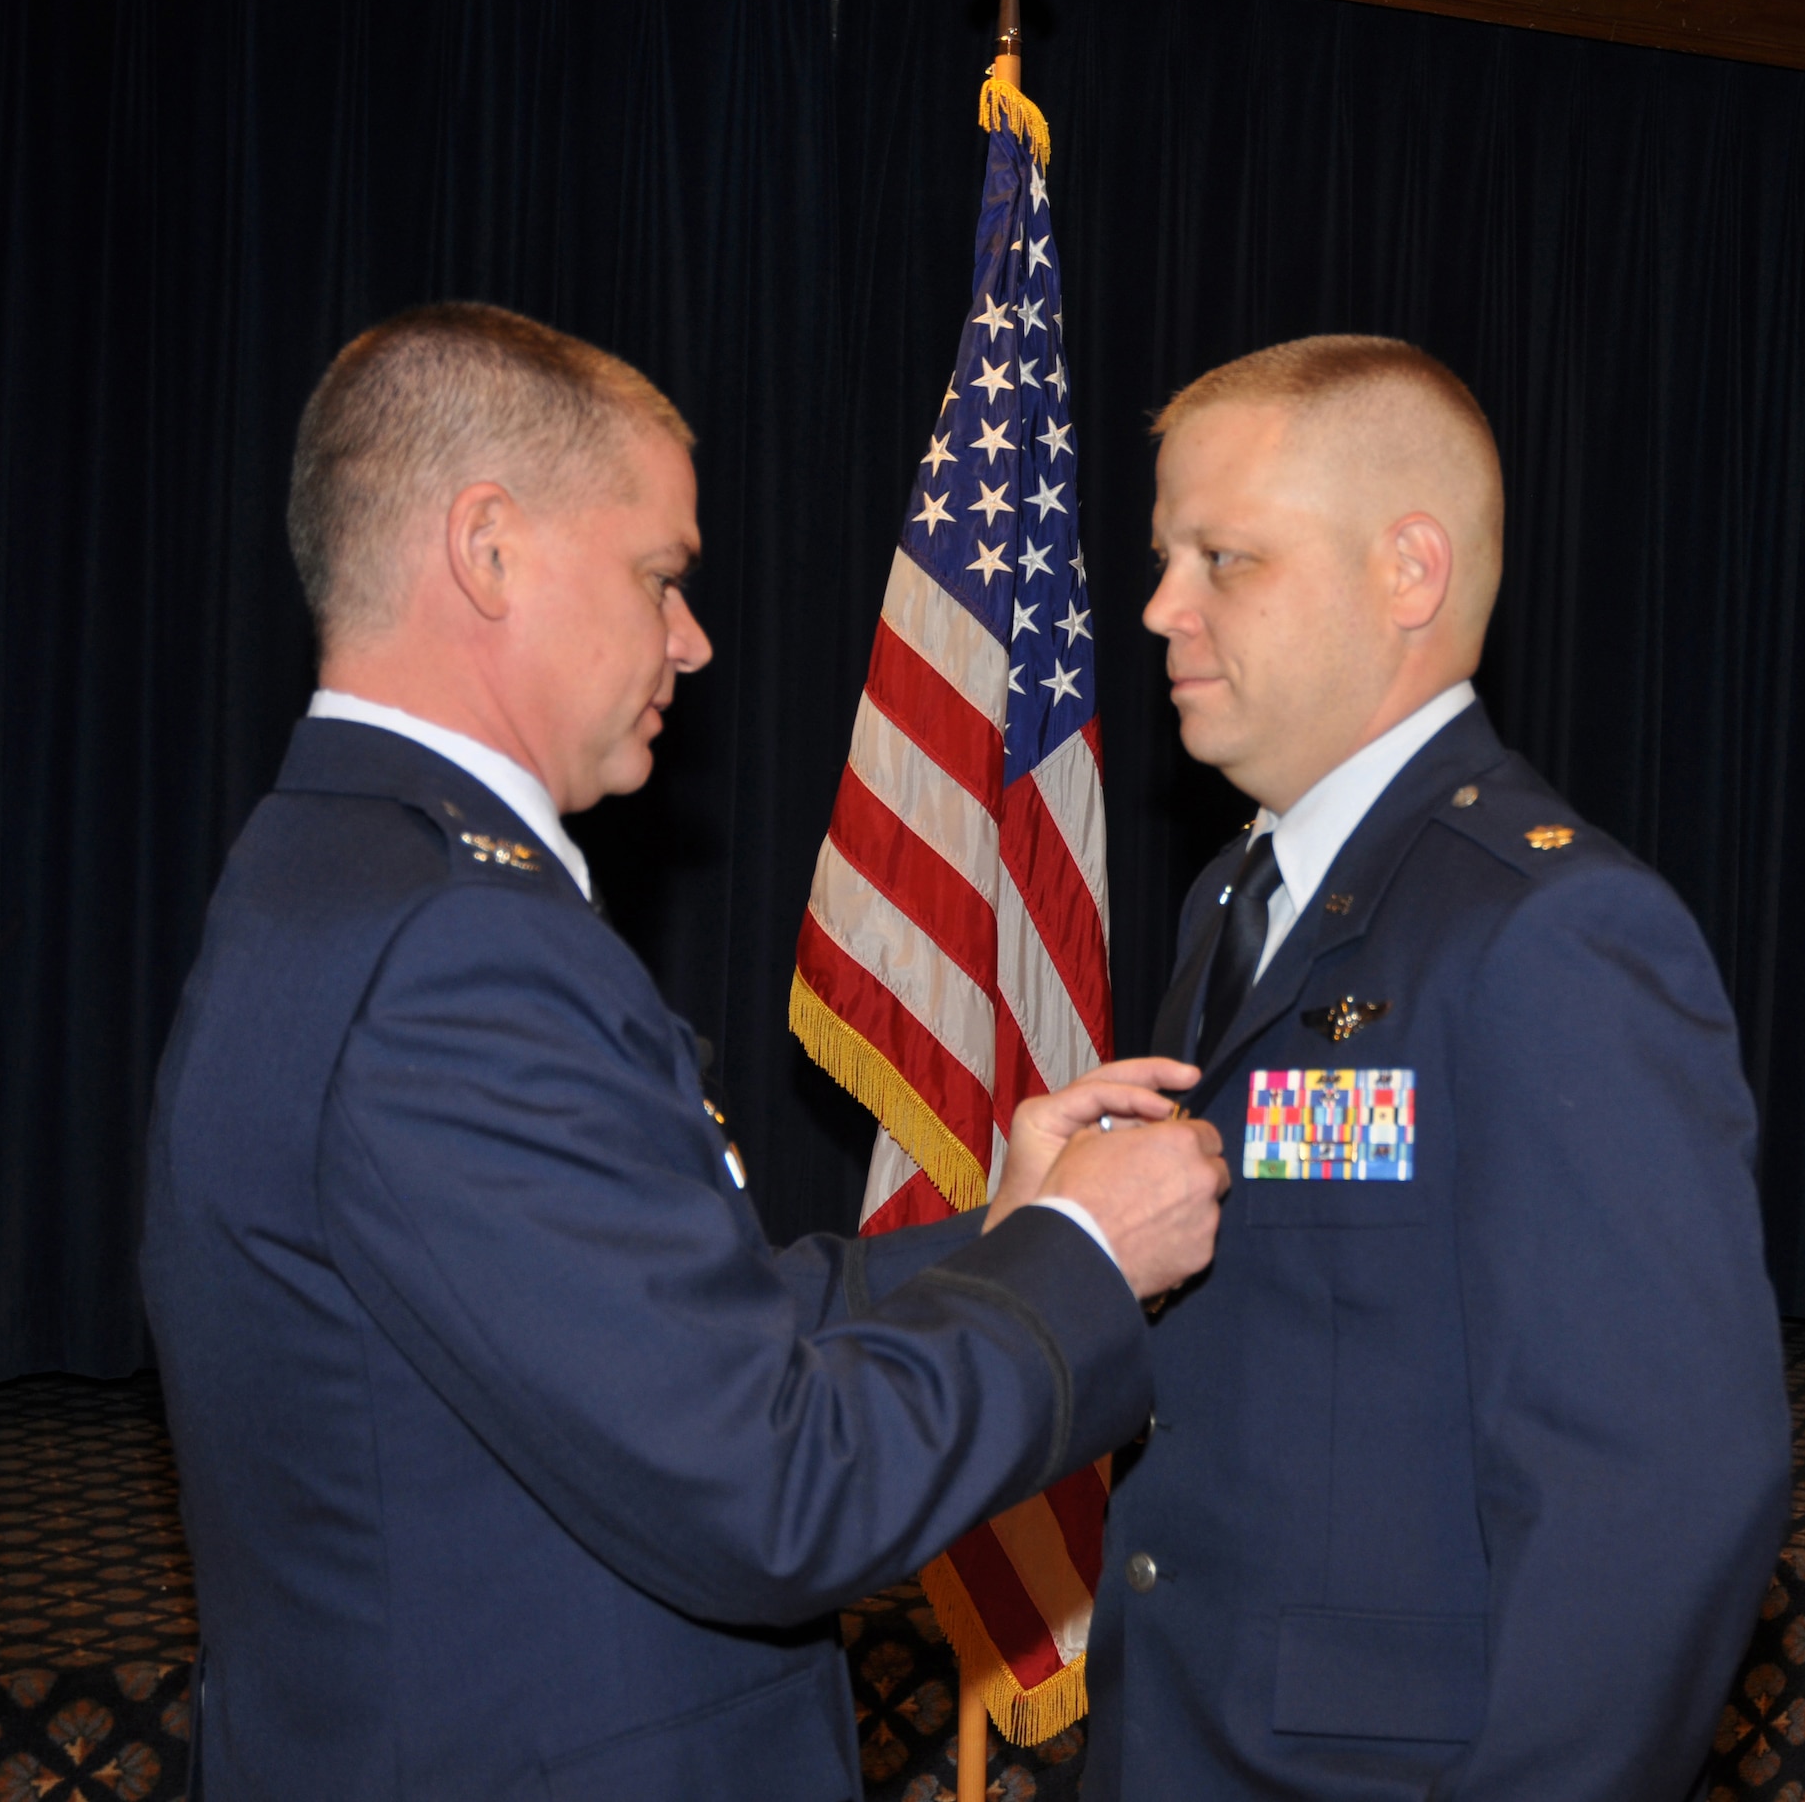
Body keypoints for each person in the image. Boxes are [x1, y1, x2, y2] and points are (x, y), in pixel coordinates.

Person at [140, 301, 1228, 1802]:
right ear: (490, 548)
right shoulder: (454, 949)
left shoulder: (329, 869)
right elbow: (775, 1497)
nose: (693, 639)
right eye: (660, 577)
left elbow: (658, 1326)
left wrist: (1006, 1231)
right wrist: (1084, 1263)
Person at [1084, 335, 1791, 1800]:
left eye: (1224, 558)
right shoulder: (1235, 900)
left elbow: (1650, 1496)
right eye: (1164, 558)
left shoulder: (1552, 932)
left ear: (1408, 573)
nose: (1159, 608)